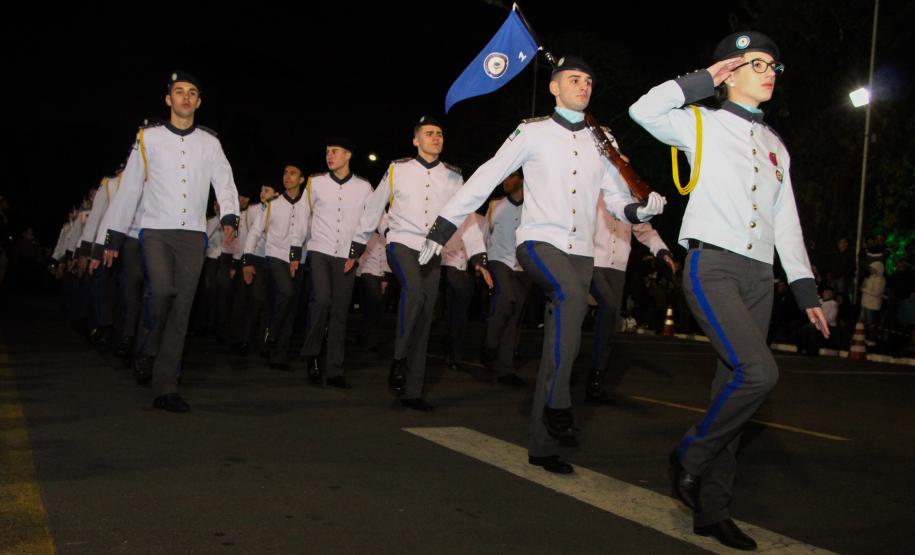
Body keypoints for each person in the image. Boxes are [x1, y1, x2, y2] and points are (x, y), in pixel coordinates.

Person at [629, 31, 829, 550]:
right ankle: (688, 456)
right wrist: (701, 82)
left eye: (773, 66)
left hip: (760, 277)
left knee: (732, 392)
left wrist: (806, 291)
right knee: (760, 372)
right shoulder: (702, 123)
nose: (769, 72)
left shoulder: (776, 146)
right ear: (729, 72)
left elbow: (787, 223)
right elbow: (642, 111)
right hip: (712, 266)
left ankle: (712, 509)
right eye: (755, 63)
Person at [420, 56, 665, 473]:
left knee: (562, 339)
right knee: (570, 297)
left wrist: (641, 211)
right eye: (574, 79)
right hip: (538, 243)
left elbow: (616, 201)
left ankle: (543, 446)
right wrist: (443, 226)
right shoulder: (531, 132)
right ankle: (559, 402)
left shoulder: (602, 139)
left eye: (589, 80)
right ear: (554, 87)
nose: (584, 86)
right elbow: (487, 175)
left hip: (582, 251)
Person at [102, 71, 240, 413]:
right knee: (162, 292)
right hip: (156, 230)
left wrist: (229, 216)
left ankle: (166, 387)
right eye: (179, 92)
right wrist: (113, 235)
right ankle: (148, 348)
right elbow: (130, 187)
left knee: (181, 311)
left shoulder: (209, 142)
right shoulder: (148, 138)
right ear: (168, 99)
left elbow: (224, 180)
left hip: (192, 235)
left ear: (199, 101)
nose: (186, 97)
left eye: (192, 93)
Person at [347, 116, 464, 412]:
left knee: (424, 317)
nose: (436, 137)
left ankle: (413, 392)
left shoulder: (453, 176)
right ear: (416, 140)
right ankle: (399, 358)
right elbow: (375, 206)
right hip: (400, 243)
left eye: (439, 133)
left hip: (432, 250)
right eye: (429, 133)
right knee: (414, 291)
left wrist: (479, 256)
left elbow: (463, 218)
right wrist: (357, 244)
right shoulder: (397, 169)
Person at [293, 138, 372, 388]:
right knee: (321, 301)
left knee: (339, 311)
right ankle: (312, 356)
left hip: (347, 257)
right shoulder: (315, 183)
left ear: (348, 155)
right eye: (327, 152)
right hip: (319, 251)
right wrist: (295, 253)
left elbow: (372, 220)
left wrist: (390, 232)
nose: (329, 156)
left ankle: (335, 369)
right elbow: (302, 219)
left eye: (334, 151)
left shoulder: (364, 187)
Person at [587, 196, 673, 403]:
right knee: (593, 310)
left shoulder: (630, 201)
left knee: (610, 321)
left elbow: (644, 230)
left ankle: (596, 379)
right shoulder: (593, 189)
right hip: (590, 262)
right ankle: (564, 367)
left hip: (617, 267)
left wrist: (662, 251)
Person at [243, 163, 310, 370]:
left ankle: (279, 355)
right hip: (275, 256)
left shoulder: (309, 204)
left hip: (299, 259)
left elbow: (306, 232)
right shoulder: (273, 204)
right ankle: (271, 332)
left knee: (289, 306)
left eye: (293, 173)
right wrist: (247, 260)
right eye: (285, 173)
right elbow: (254, 232)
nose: (287, 176)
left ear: (301, 179)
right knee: (286, 294)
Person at [481, 171, 530, 386]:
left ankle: (505, 370)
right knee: (506, 298)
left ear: (521, 180)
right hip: (499, 260)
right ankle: (489, 344)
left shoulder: (534, 208)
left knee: (514, 316)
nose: (505, 182)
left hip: (523, 266)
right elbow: (485, 235)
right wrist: (482, 264)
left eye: (510, 178)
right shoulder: (495, 206)